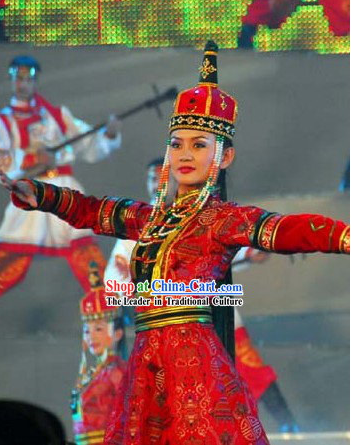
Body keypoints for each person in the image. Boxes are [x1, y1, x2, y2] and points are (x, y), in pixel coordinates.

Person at [0, 41, 349, 445]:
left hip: (194, 366)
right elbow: (91, 210)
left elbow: (287, 229)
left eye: (199, 145)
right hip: (146, 364)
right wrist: (39, 193)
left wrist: (344, 236)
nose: (184, 154)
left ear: (225, 156)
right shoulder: (149, 219)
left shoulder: (223, 219)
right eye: (177, 143)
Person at [105, 159, 298, 433]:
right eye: (151, 178)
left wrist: (253, 252)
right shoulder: (136, 223)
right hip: (164, 321)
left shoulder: (201, 215)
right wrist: (141, 287)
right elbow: (115, 279)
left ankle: (289, 426)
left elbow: (231, 245)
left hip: (211, 310)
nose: (156, 183)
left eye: (162, 176)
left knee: (247, 368)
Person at [0, 55, 122, 296]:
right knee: (8, 260)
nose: (22, 84)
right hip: (30, 190)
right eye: (18, 78)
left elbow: (87, 142)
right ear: (12, 80)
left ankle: (108, 307)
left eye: (27, 78)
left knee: (86, 255)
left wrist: (108, 136)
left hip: (63, 189)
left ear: (35, 81)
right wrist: (32, 158)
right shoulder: (3, 122)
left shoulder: (56, 115)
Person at [71, 261, 127, 445]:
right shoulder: (92, 372)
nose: (91, 337)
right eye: (87, 331)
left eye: (99, 329)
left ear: (117, 333)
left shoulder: (118, 372)